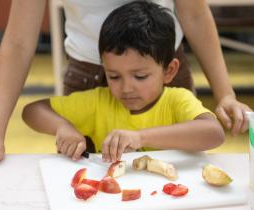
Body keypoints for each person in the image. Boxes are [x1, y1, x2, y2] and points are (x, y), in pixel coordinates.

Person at [0, 0, 250, 181]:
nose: (126, 88)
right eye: (117, 77)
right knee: (90, 184)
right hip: (90, 74)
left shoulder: (174, 96)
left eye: (135, 77)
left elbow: (195, 13)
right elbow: (19, 41)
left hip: (159, 68)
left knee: (180, 180)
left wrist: (225, 93)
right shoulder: (93, 101)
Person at [22, 1, 225, 163]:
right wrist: (62, 127)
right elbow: (32, 110)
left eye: (140, 76)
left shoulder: (177, 100)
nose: (126, 89)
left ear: (169, 71)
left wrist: (140, 137)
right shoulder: (99, 102)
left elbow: (214, 133)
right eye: (114, 76)